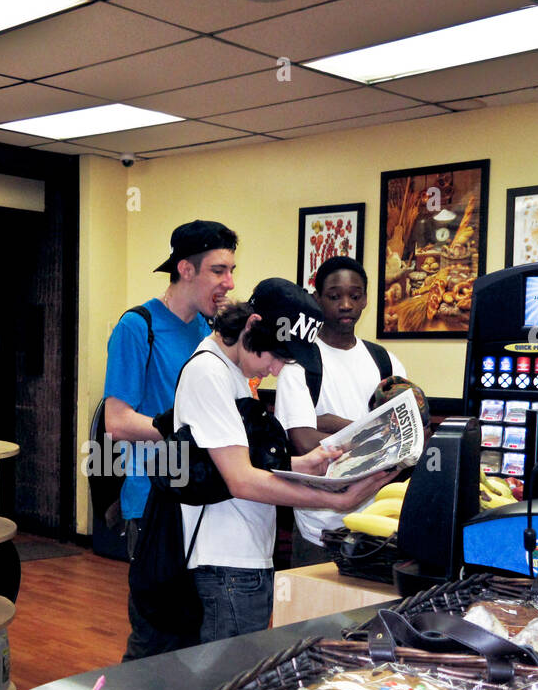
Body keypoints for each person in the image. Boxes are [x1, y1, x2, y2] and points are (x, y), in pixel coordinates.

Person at [175, 278, 400, 643]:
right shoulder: (209, 372)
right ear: (251, 326)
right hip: (225, 561)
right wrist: (335, 500)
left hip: (248, 555)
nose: (278, 370)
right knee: (225, 679)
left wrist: (306, 464)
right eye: (277, 355)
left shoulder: (233, 372)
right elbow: (242, 480)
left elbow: (235, 462)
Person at [104, 219, 238, 661]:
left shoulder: (208, 332)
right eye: (219, 270)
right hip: (151, 505)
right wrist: (179, 426)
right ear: (185, 269)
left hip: (199, 501)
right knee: (153, 638)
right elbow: (117, 422)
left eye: (231, 270)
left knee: (193, 637)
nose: (229, 282)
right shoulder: (136, 326)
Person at [274, 255, 408, 566]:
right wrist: (377, 431)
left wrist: (331, 423)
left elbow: (411, 432)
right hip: (318, 529)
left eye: (355, 295)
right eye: (334, 296)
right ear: (317, 298)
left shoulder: (385, 361)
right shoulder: (299, 365)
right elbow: (305, 442)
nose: (346, 304)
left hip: (379, 525)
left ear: (365, 300)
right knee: (311, 615)